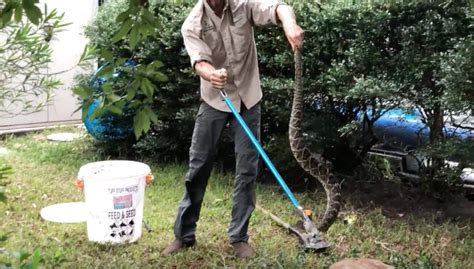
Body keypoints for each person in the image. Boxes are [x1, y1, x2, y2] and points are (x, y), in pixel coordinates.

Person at [161, 0, 304, 258]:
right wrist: (209, 73)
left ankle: (239, 237)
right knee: (198, 166)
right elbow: (199, 61)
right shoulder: (193, 23)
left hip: (248, 99)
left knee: (247, 169)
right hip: (215, 100)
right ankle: (184, 235)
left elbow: (278, 7)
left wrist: (290, 24)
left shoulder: (243, 5)